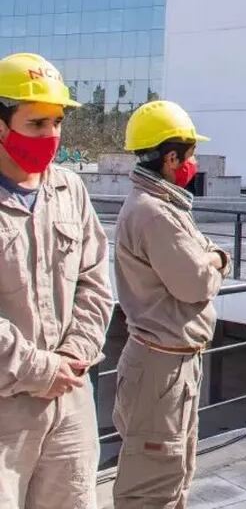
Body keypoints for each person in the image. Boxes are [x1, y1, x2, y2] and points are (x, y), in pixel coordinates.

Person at [0, 53, 113, 508]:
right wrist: (39, 369)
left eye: (57, 122)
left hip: (70, 402)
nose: (51, 135)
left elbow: (95, 281)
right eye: (36, 124)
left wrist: (72, 357)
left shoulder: (69, 190)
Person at [112, 100, 231, 507]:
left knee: (173, 474)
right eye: (190, 155)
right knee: (152, 488)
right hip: (160, 369)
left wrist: (208, 257)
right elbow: (197, 280)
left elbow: (199, 255)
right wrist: (219, 260)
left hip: (168, 365)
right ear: (171, 157)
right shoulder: (155, 213)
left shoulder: (163, 204)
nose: (193, 164)